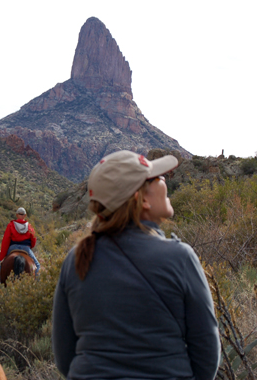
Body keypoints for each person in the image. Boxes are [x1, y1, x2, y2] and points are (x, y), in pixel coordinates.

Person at [52, 150, 220, 380]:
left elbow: (64, 358)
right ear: (142, 199)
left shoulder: (76, 259)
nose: (165, 181)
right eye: (158, 178)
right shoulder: (179, 257)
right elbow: (207, 357)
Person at [0, 207, 39, 280]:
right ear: (25, 215)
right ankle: (37, 283)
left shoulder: (11, 225)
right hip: (26, 248)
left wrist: (2, 256)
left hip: (12, 247)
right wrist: (30, 247)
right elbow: (34, 239)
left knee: (0, 263)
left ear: (17, 215)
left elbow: (6, 240)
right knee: (37, 265)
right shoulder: (29, 226)